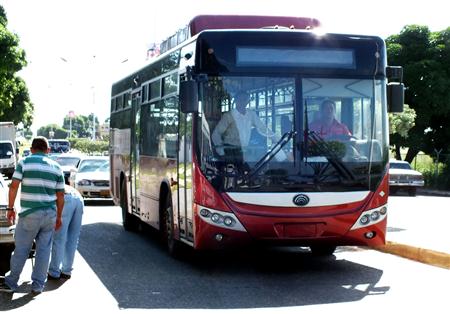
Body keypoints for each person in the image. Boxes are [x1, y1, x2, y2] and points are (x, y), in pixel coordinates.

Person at [0, 137, 65, 295]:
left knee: (22, 248)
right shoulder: (56, 167)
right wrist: (59, 217)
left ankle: (11, 282)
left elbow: (14, 186)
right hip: (49, 214)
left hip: (30, 213)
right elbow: (61, 196)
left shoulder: (25, 162)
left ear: (32, 148)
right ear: (47, 150)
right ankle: (37, 285)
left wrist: (10, 208)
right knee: (44, 250)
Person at [211, 90, 278, 160]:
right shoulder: (228, 116)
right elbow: (216, 134)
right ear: (236, 100)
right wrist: (221, 152)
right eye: (240, 99)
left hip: (245, 149)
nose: (242, 102)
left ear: (247, 101)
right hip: (230, 150)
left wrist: (275, 138)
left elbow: (262, 128)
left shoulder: (251, 114)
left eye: (245, 100)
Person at [48, 185, 84, 280]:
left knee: (59, 238)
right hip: (78, 197)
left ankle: (54, 271)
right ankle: (66, 270)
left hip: (65, 197)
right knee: (73, 238)